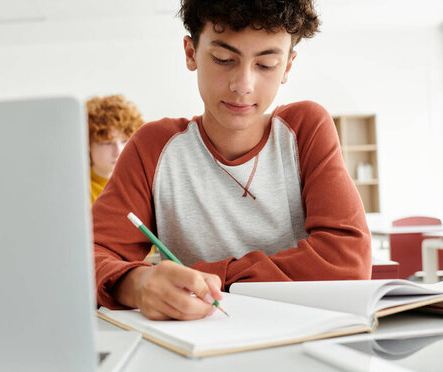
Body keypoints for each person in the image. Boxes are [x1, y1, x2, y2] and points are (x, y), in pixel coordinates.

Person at [92, 0, 372, 321]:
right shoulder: (153, 148)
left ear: (287, 68)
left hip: (303, 334)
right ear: (190, 53)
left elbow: (347, 262)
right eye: (224, 59)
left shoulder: (304, 128)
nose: (243, 85)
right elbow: (87, 257)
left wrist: (206, 277)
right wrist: (137, 284)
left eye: (266, 64)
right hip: (198, 344)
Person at [87, 95, 144, 204]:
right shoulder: (78, 189)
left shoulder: (141, 185)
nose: (119, 151)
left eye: (125, 141)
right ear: (88, 144)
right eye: (107, 143)